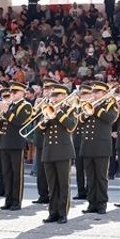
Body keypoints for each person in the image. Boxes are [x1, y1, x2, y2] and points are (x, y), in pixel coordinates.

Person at [38, 83, 78, 223]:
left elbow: (71, 126)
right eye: (53, 96)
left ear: (64, 96)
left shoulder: (70, 109)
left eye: (57, 96)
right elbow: (40, 128)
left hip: (63, 151)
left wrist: (59, 112)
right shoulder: (47, 109)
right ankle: (52, 212)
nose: (54, 98)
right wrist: (46, 117)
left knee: (63, 184)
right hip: (49, 150)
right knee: (52, 184)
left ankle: (63, 213)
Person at [81, 82, 118, 215]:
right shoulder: (88, 104)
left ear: (104, 93)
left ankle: (101, 204)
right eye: (94, 92)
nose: (94, 95)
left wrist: (96, 109)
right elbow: (80, 120)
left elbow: (110, 118)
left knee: (101, 177)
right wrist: (86, 112)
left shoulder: (111, 104)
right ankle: (91, 203)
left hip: (102, 146)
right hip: (88, 145)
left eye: (97, 92)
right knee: (90, 176)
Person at [0, 82, 31, 210]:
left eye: (15, 92)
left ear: (22, 93)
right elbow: (3, 125)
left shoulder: (25, 106)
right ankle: (8, 200)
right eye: (11, 92)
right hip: (5, 142)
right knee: (7, 173)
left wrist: (5, 111)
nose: (12, 94)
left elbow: (18, 122)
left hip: (16, 143)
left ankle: (16, 201)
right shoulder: (10, 106)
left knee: (17, 174)